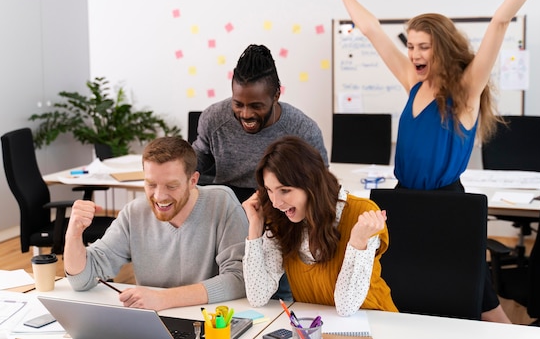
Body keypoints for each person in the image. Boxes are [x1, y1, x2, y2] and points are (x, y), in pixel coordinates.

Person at [327, 0, 540, 323]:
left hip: (448, 205)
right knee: (402, 294)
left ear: (443, 48)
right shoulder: (412, 82)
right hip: (403, 202)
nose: (414, 54)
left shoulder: (467, 91)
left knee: (476, 300)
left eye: (423, 47)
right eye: (411, 46)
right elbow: (370, 30)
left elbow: (501, 21)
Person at [64, 136, 248, 311]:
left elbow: (239, 279)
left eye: (171, 186)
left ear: (193, 181)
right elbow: (82, 279)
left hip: (211, 321)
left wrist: (164, 299)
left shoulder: (222, 204)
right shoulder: (134, 213)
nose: (159, 196)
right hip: (153, 320)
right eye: (151, 184)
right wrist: (72, 235)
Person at [241, 136, 398, 316]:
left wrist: (358, 242)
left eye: (285, 190)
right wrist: (255, 226)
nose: (276, 202)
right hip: (315, 326)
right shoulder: (281, 219)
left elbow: (346, 307)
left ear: (311, 183)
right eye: (269, 190)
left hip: (375, 321)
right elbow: (257, 296)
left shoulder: (362, 214)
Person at [192, 43, 328, 202]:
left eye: (256, 106)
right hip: (228, 203)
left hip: (280, 205)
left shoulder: (303, 131)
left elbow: (321, 182)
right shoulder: (213, 118)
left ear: (276, 96)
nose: (246, 114)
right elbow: (200, 157)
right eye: (238, 104)